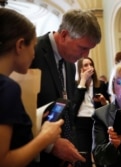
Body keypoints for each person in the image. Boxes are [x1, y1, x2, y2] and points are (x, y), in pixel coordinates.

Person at [30, 9, 101, 166]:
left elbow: (66, 109)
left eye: (89, 49)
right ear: (63, 35)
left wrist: (69, 147)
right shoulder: (31, 52)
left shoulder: (69, 61)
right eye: (82, 48)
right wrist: (50, 145)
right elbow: (20, 112)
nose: (85, 55)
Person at [0, 8, 64, 167]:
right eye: (33, 46)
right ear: (20, 45)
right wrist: (45, 137)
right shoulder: (7, 88)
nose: (34, 54)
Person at [73, 57, 110, 167]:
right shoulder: (76, 85)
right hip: (81, 122)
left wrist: (104, 101)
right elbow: (74, 106)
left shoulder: (101, 85)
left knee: (99, 154)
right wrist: (83, 81)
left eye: (90, 64)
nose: (89, 67)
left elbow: (109, 106)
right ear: (80, 69)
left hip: (96, 121)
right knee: (84, 156)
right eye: (85, 65)